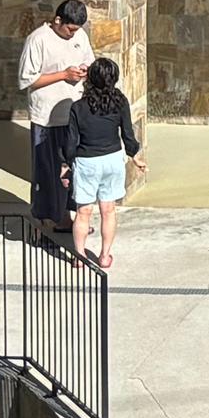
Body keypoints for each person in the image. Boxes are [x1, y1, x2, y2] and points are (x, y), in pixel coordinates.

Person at [18, 0, 93, 237]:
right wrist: (63, 74)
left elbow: (88, 61)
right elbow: (26, 79)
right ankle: (44, 224)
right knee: (47, 171)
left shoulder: (80, 37)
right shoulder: (38, 39)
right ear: (57, 20)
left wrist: (84, 72)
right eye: (70, 29)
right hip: (47, 118)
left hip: (72, 114)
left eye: (77, 30)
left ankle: (65, 218)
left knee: (71, 171)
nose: (73, 34)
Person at [65, 54, 145, 271]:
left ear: (90, 79)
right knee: (108, 210)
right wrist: (135, 156)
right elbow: (127, 134)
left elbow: (71, 142)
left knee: (83, 212)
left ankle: (79, 257)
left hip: (86, 162)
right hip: (112, 160)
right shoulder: (120, 102)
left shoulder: (78, 107)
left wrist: (65, 166)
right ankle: (104, 255)